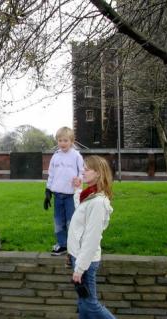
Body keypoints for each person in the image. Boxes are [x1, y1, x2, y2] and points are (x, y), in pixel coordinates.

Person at [68, 155, 115, 319]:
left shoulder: (98, 202)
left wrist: (80, 268)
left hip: (85, 260)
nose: (83, 172)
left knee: (91, 305)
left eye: (87, 170)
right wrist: (77, 190)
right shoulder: (90, 196)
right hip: (79, 256)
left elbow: (92, 239)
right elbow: (81, 212)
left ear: (98, 173)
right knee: (83, 303)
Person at [44, 127, 84, 257]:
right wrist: (48, 191)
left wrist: (79, 180)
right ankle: (62, 245)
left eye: (65, 140)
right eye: (60, 140)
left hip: (71, 195)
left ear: (72, 141)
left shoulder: (76, 156)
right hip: (57, 195)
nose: (62, 143)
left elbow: (82, 172)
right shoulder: (55, 156)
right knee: (58, 221)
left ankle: (74, 245)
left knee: (71, 221)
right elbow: (51, 174)